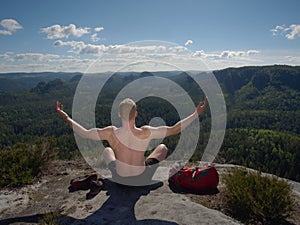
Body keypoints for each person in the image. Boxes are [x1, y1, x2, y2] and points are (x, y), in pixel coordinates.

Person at [56, 97, 208, 185]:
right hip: (142, 178)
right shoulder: (145, 131)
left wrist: (66, 117)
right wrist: (196, 113)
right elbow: (175, 129)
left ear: (119, 114)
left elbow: (85, 133)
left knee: (107, 150)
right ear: (135, 114)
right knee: (162, 147)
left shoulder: (111, 132)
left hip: (119, 178)